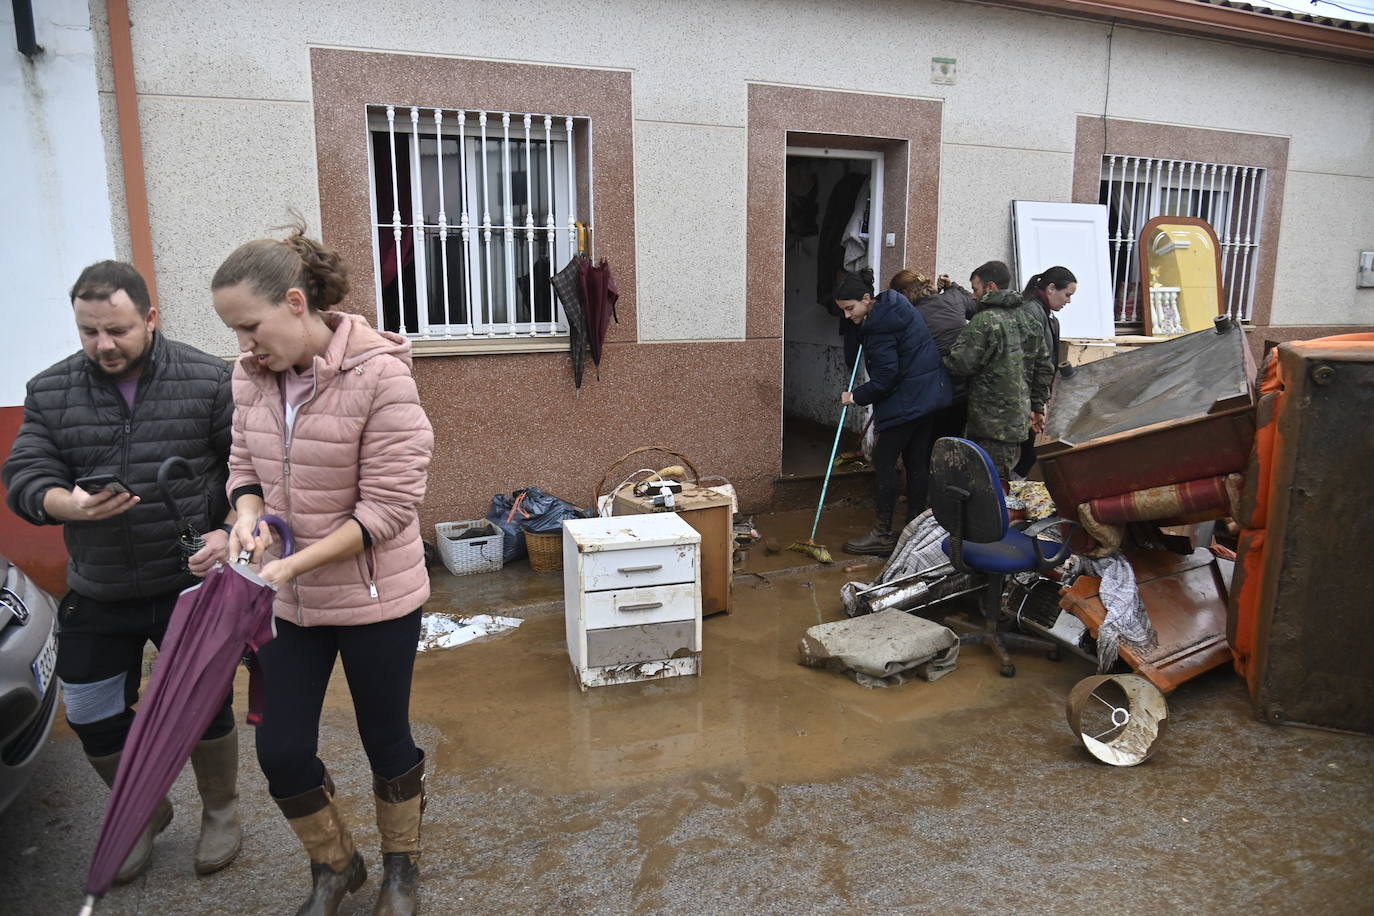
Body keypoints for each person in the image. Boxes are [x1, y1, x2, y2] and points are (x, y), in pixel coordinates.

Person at [211, 228, 434, 915]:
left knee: (385, 738)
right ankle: (336, 865)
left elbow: (390, 508)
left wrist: (290, 564)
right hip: (290, 606)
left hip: (375, 600)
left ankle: (401, 871)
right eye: (235, 331)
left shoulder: (381, 374)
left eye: (251, 325)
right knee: (280, 752)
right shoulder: (250, 377)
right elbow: (243, 470)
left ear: (297, 302)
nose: (246, 343)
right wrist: (245, 518)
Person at [3, 261, 240, 882]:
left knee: (204, 703)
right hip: (99, 588)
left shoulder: (210, 379)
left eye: (118, 330)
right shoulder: (51, 391)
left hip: (189, 584)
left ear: (150, 319)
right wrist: (67, 504)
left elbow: (247, 471)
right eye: (89, 332)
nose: (104, 345)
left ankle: (221, 809)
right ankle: (143, 809)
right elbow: (25, 476)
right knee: (89, 712)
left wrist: (225, 532)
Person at [834, 270, 953, 556]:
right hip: (927, 397)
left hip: (908, 402)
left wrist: (856, 397)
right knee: (916, 461)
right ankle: (914, 529)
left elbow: (886, 377)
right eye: (844, 312)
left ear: (866, 299)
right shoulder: (895, 304)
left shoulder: (879, 325)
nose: (849, 316)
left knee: (883, 458)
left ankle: (883, 534)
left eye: (851, 309)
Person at [941, 260, 1052, 484]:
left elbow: (960, 364)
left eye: (975, 289)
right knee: (1000, 479)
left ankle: (990, 519)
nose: (973, 296)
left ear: (990, 287)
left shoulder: (984, 322)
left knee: (985, 484)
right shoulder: (1029, 319)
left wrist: (943, 351)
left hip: (987, 422)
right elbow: (1044, 368)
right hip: (1017, 420)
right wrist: (1037, 405)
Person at [1013, 266, 1078, 477]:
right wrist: (1036, 404)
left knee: (1031, 453)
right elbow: (1031, 363)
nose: (1068, 301)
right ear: (1051, 288)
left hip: (1033, 398)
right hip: (1025, 398)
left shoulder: (1048, 316)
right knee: (1029, 453)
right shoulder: (1031, 312)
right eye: (1067, 294)